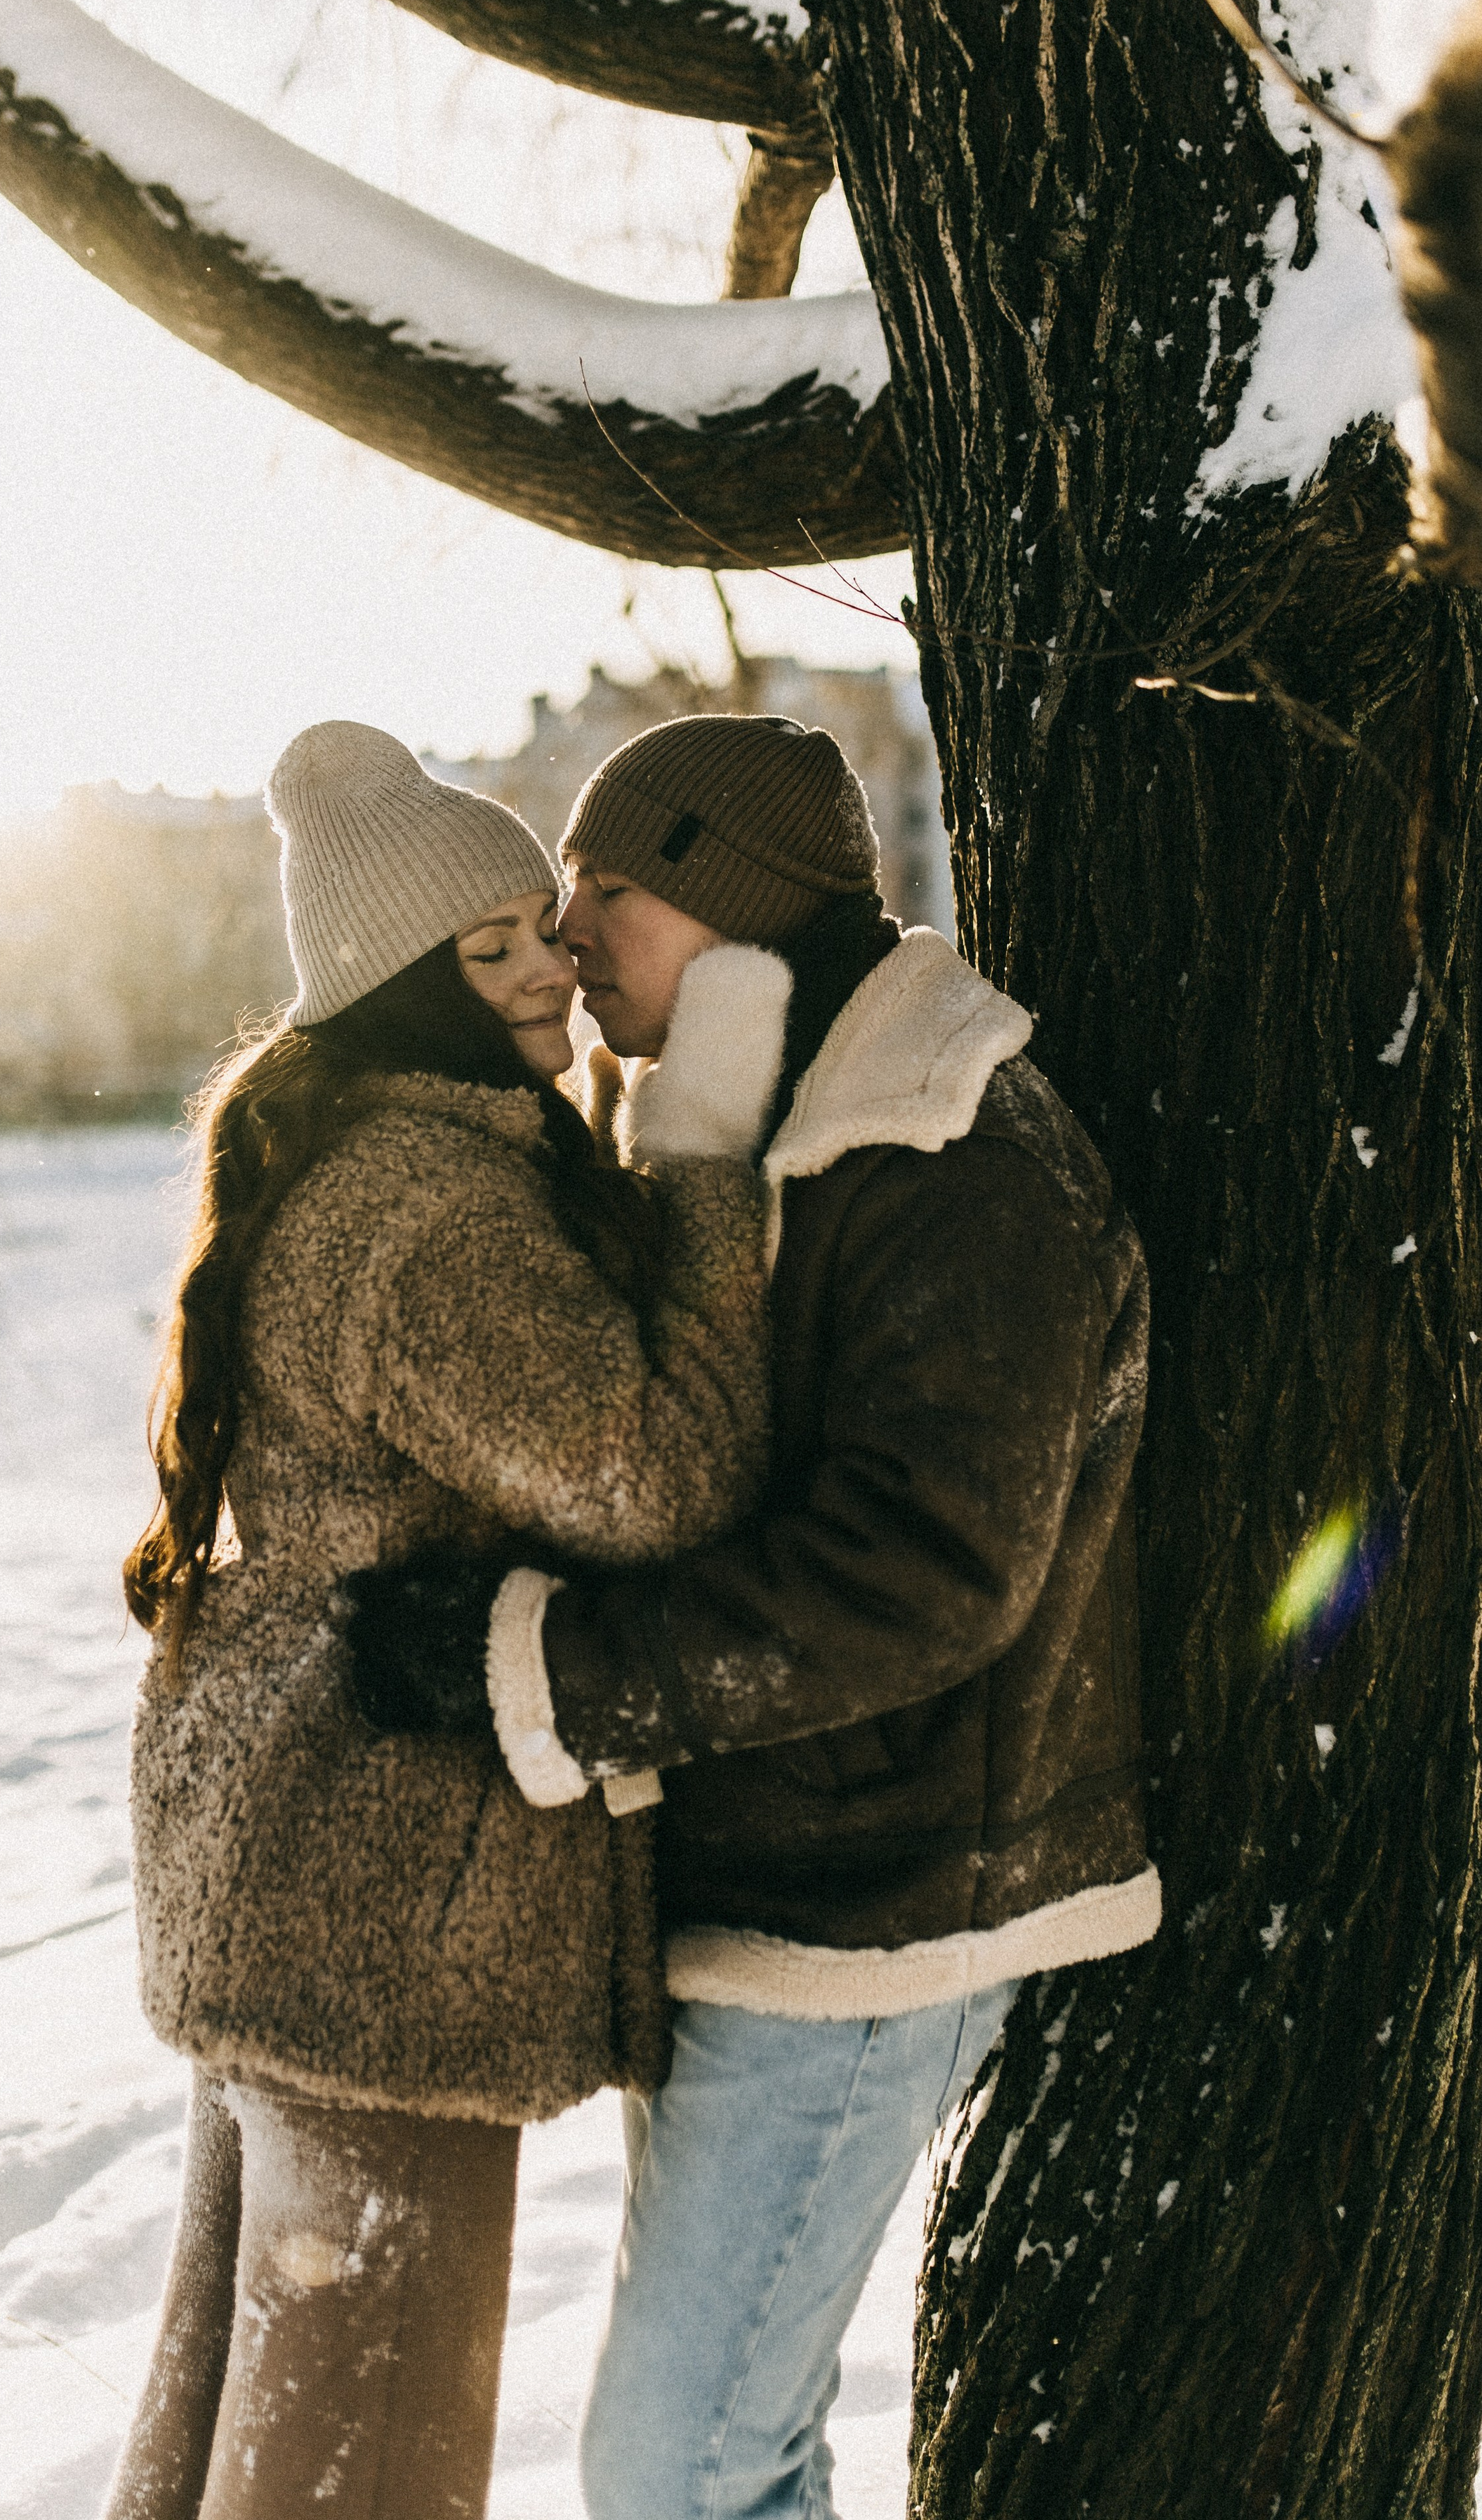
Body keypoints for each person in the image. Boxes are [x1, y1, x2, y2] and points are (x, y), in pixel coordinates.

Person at [343, 711, 1158, 2520]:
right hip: (767, 1873)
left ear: (724, 896)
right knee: (711, 2456)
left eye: (600, 892)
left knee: (675, 2469)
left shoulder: (951, 1148)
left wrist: (539, 1669)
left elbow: (922, 1576)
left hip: (881, 1908)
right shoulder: (756, 1114)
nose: (562, 941)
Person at [102, 718, 793, 2520]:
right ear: (397, 989)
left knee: (221, 2447)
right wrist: (704, 1154)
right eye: (487, 949)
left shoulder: (373, 1160)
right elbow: (655, 1475)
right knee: (357, 2469)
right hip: (379, 1921)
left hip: (294, 1877)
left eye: (537, 925)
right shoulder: (427, 1215)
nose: (550, 962)